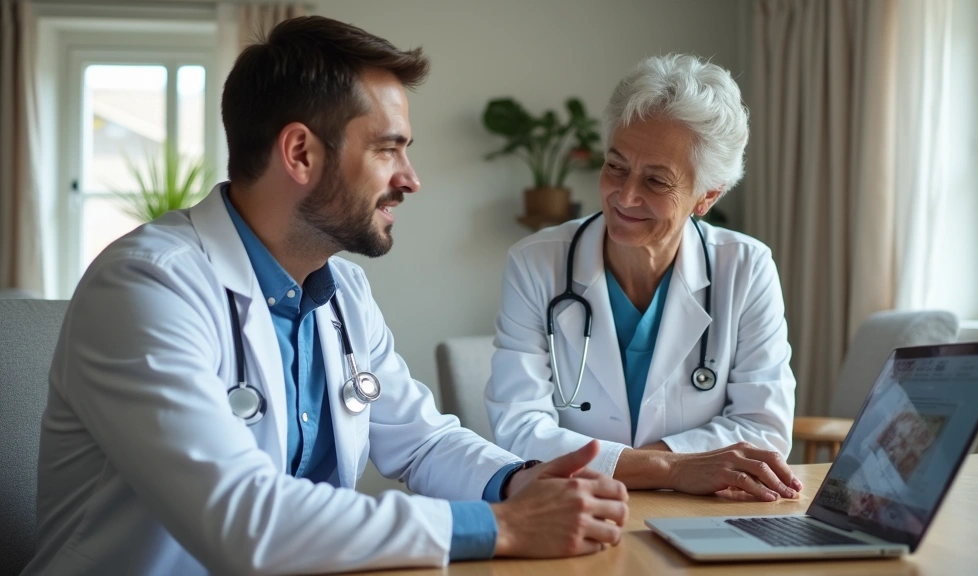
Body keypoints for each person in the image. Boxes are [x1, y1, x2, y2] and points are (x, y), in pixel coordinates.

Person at [23, 16, 628, 576]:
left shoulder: (342, 292)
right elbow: (240, 519)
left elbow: (420, 441)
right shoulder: (146, 286)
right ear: (300, 153)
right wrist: (499, 526)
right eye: (389, 148)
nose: (410, 178)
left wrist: (516, 481)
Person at [485, 54, 801, 502]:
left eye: (656, 181)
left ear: (706, 197)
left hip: (699, 512)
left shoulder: (746, 268)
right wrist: (671, 468)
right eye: (615, 166)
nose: (625, 195)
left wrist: (635, 469)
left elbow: (763, 431)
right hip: (575, 507)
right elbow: (518, 430)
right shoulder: (536, 263)